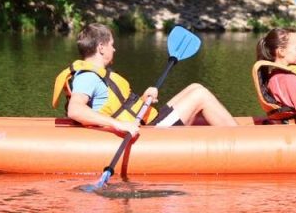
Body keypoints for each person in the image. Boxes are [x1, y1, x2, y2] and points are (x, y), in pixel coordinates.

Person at [53, 23, 237, 135]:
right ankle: (244, 139)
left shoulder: (96, 74)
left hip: (147, 123)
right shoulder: (88, 77)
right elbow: (75, 110)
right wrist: (118, 125)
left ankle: (239, 134)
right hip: (153, 134)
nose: (114, 49)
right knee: (200, 95)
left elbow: (119, 107)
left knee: (195, 87)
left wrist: (143, 100)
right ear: (101, 48)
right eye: (112, 45)